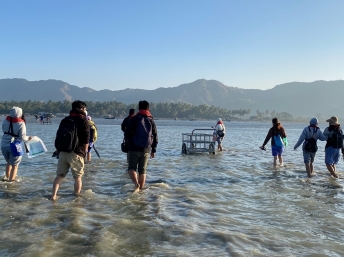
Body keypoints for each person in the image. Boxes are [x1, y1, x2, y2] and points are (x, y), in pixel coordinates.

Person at [51, 100, 90, 200]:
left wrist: (58, 150)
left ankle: (53, 196)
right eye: (85, 109)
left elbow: (58, 136)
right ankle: (76, 198)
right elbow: (86, 139)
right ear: (81, 109)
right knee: (77, 177)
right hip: (76, 153)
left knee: (59, 175)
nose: (86, 111)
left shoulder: (65, 120)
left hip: (63, 151)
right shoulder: (84, 121)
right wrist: (84, 152)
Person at [125, 101, 158, 192]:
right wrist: (153, 150)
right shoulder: (151, 120)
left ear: (139, 109)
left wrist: (129, 144)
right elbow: (155, 135)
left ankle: (136, 184)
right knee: (142, 171)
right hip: (146, 149)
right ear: (148, 109)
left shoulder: (134, 119)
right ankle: (141, 190)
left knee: (131, 168)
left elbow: (127, 133)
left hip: (133, 148)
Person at [1, 107, 32, 181]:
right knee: (15, 165)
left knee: (8, 162)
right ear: (20, 113)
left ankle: (7, 177)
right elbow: (23, 137)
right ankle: (11, 182)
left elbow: (3, 130)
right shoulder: (21, 123)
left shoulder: (5, 120)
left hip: (3, 145)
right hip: (15, 146)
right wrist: (29, 138)